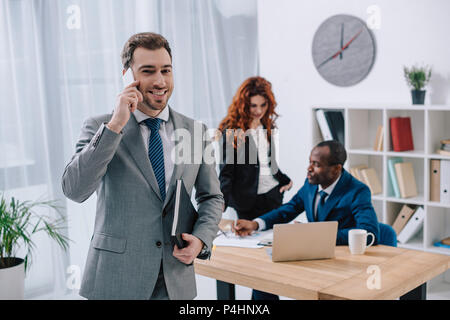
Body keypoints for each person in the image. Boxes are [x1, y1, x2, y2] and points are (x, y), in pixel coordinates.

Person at [61, 32, 224, 300]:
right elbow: (74, 190)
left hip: (174, 280)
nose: (160, 81)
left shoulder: (196, 131)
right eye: (148, 71)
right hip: (116, 279)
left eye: (166, 70)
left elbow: (212, 196)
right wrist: (115, 125)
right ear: (127, 75)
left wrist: (202, 238)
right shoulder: (100, 126)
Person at [217, 76, 292, 300]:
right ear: (243, 104)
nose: (258, 111)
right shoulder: (232, 131)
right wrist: (220, 203)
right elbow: (226, 173)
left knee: (274, 258)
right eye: (253, 106)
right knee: (259, 264)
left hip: (273, 197)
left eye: (263, 105)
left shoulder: (268, 126)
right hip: (247, 202)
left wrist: (284, 179)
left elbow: (270, 163)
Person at [234, 140, 380, 247]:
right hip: (312, 254)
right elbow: (289, 209)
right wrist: (255, 224)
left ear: (336, 169)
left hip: (342, 260)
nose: (309, 168)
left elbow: (369, 232)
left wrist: (313, 233)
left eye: (316, 164)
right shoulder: (311, 184)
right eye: (309, 162)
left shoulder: (357, 191)